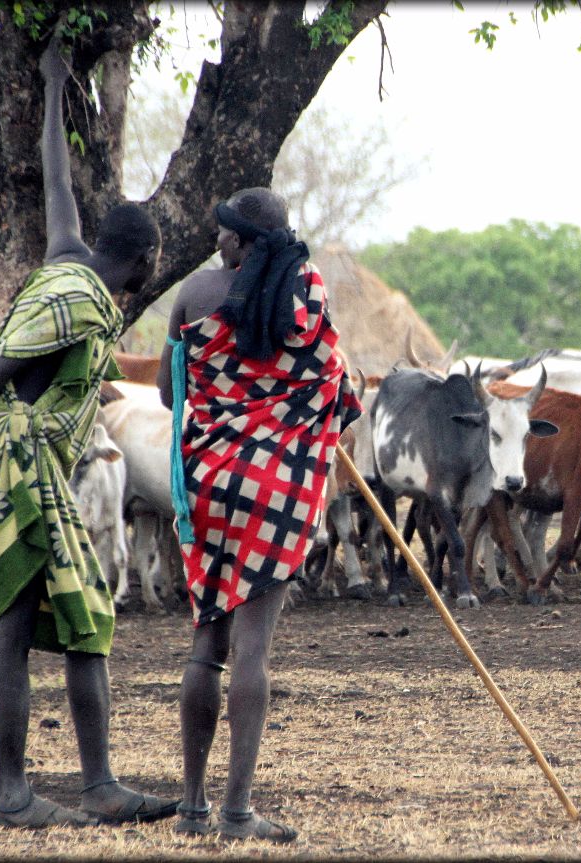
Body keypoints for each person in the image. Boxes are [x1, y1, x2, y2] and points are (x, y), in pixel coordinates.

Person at [0, 34, 177, 829]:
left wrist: (52, 87)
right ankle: (12, 793)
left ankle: (100, 784)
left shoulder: (69, 259)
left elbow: (57, 181)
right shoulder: (82, 299)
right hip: (9, 449)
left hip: (27, 454)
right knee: (13, 612)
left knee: (86, 609)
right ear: (144, 262)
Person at [157, 187, 360, 841]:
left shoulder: (194, 294)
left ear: (243, 241)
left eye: (225, 232)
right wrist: (302, 413)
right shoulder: (306, 293)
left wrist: (229, 405)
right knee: (253, 650)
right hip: (276, 491)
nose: (217, 240)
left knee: (206, 642)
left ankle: (192, 808)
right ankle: (237, 812)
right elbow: (337, 384)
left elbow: (168, 391)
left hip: (210, 484)